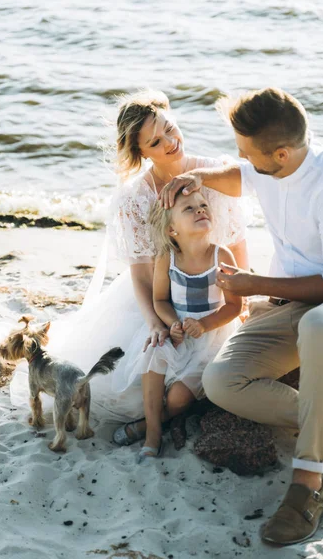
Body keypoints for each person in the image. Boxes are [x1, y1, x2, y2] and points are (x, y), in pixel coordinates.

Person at [160, 87, 323, 546]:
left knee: (319, 326)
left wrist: (254, 284)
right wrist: (196, 177)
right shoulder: (271, 165)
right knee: (221, 382)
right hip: (289, 308)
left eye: (247, 151)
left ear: (281, 152)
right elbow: (241, 175)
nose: (241, 158)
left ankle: (307, 484)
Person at [5, 89, 249, 421]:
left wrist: (242, 304)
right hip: (158, 294)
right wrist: (154, 322)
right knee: (129, 393)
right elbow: (143, 273)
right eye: (154, 142)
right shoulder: (135, 197)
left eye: (168, 128)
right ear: (141, 152)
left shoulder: (216, 171)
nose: (169, 142)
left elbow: (236, 244)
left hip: (214, 294)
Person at [114, 190, 242, 463]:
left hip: (211, 335)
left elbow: (234, 306)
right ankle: (152, 435)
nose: (200, 210)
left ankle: (153, 421)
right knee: (153, 353)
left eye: (203, 205)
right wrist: (173, 324)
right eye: (189, 209)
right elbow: (159, 300)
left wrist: (205, 325)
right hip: (179, 332)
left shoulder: (222, 256)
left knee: (177, 399)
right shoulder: (167, 258)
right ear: (173, 230)